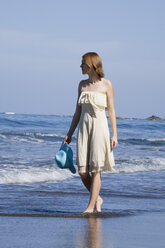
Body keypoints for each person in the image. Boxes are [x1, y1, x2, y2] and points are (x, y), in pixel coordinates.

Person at [64, 52, 118, 213]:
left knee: (96, 169)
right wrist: (69, 133)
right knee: (82, 171)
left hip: (100, 128)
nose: (80, 66)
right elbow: (77, 112)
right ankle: (97, 198)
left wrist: (114, 134)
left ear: (92, 64)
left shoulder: (107, 84)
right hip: (84, 129)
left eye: (83, 63)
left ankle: (90, 207)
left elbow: (112, 111)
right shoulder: (82, 85)